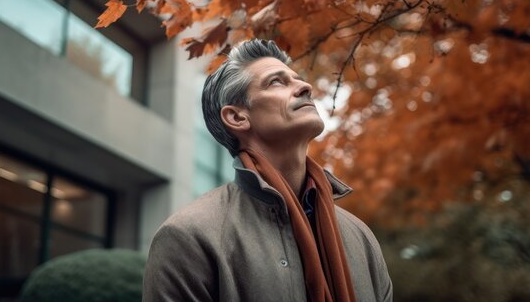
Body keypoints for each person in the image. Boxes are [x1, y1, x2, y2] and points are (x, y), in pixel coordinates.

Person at [142, 39, 393, 302]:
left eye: (298, 79)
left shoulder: (361, 238)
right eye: (276, 81)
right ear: (237, 117)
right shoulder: (190, 236)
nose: (305, 86)